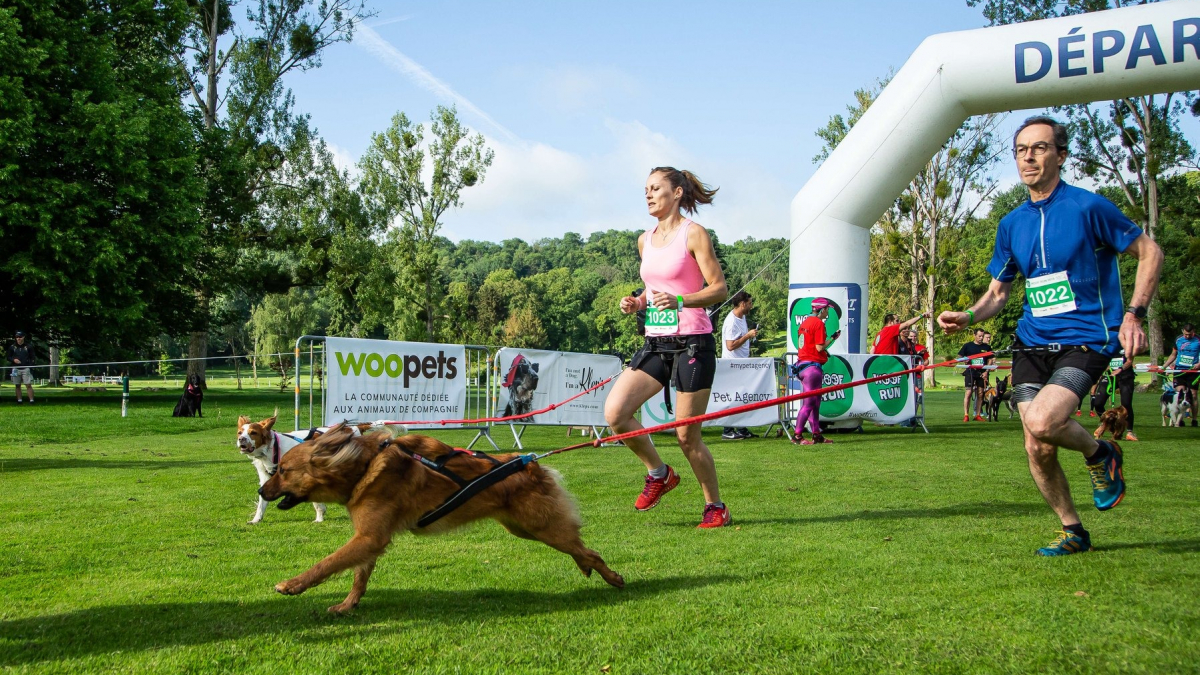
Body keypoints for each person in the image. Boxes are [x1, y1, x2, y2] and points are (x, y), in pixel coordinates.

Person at [937, 115, 1162, 556]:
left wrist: (1134, 314)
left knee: (1043, 421)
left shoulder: (1088, 208)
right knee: (1035, 443)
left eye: (1039, 148)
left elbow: (1149, 251)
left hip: (1085, 340)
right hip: (1031, 343)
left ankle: (1101, 453)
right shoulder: (1011, 224)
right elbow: (998, 293)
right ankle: (1073, 530)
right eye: (1022, 150)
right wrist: (968, 315)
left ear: (1060, 154)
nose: (1029, 157)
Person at [605, 166, 731, 529]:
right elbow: (653, 289)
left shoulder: (695, 234)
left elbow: (719, 289)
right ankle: (659, 473)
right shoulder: (645, 240)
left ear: (676, 193)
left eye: (655, 188)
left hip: (693, 342)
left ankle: (715, 506)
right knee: (616, 413)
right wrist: (638, 302)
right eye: (645, 189)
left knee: (685, 434)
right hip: (656, 342)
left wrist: (680, 301)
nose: (648, 194)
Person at [790, 298, 840, 445]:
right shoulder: (818, 324)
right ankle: (797, 435)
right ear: (821, 309)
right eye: (827, 310)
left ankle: (816, 434)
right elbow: (819, 347)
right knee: (809, 403)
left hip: (803, 365)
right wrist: (832, 338)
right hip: (812, 367)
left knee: (815, 403)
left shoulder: (805, 323)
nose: (828, 313)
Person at [720, 290, 758, 440]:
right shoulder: (731, 321)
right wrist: (747, 336)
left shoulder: (741, 317)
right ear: (742, 304)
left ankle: (741, 427)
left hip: (740, 364)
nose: (751, 306)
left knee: (741, 397)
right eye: (749, 303)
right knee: (732, 398)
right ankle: (727, 429)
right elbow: (730, 345)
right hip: (732, 365)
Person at [1091, 349, 1137, 441]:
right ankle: (1106, 424)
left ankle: (1129, 432)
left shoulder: (1127, 344)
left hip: (1125, 376)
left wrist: (1120, 369)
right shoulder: (1108, 343)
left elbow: (1129, 361)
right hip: (1109, 376)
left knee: (1126, 404)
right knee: (1098, 403)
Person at [1163, 323, 1199, 426]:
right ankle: (1180, 419)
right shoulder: (1178, 339)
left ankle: (1194, 419)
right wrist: (1164, 366)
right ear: (1183, 331)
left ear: (1194, 332)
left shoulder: (1198, 340)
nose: (1187, 336)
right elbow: (1173, 354)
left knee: (1193, 395)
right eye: (1186, 334)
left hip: (1193, 372)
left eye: (1190, 334)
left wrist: (1199, 364)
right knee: (1180, 394)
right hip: (1179, 370)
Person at [958, 329, 989, 422]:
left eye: (982, 336)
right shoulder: (968, 346)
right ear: (974, 335)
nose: (981, 338)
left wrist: (986, 371)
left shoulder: (987, 347)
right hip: (970, 372)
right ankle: (966, 414)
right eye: (979, 336)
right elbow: (959, 356)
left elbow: (990, 360)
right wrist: (964, 360)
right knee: (968, 393)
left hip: (981, 373)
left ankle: (978, 414)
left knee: (980, 393)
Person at [6, 330, 36, 404]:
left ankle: (31, 400)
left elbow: (33, 357)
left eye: (20, 337)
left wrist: (31, 366)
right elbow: (8, 357)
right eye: (17, 337)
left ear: (23, 337)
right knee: (17, 385)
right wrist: (14, 360)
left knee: (28, 385)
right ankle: (19, 400)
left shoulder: (28, 346)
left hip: (26, 368)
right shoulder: (12, 347)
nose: (18, 338)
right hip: (15, 368)